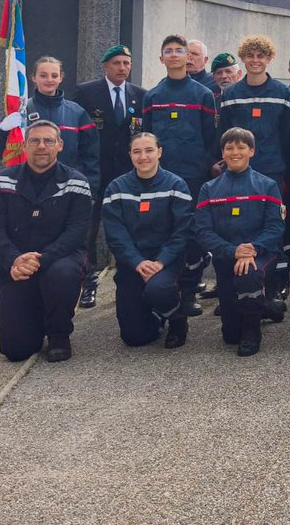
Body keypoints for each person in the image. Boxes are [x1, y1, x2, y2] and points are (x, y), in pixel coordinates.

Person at [0, 120, 92, 362]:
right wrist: (14, 259)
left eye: (48, 141)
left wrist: (42, 259)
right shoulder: (1, 181)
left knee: (61, 274)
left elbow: (76, 231)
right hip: (16, 263)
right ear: (24, 145)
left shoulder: (77, 182)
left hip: (59, 259)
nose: (42, 146)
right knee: (16, 351)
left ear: (60, 145)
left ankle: (59, 334)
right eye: (35, 141)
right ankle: (34, 315)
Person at [219, 35, 290, 318]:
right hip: (238, 173)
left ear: (268, 59)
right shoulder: (230, 95)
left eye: (260, 56)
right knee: (239, 224)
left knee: (273, 228)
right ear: (243, 59)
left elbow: (289, 137)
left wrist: (289, 173)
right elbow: (224, 135)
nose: (255, 60)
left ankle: (272, 287)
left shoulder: (282, 93)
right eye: (250, 55)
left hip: (273, 171)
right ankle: (238, 287)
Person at [141, 34, 219, 316]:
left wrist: (206, 165)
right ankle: (164, 288)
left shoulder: (202, 95)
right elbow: (146, 137)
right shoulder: (153, 96)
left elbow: (212, 137)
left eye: (179, 51)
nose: (174, 55)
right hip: (160, 179)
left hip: (194, 177)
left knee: (193, 235)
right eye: (168, 51)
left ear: (188, 57)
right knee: (166, 232)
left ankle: (189, 291)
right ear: (161, 58)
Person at [194, 128, 285, 357]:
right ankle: (264, 306)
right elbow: (203, 231)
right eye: (229, 148)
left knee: (249, 275)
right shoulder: (208, 189)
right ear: (222, 153)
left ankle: (252, 332)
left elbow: (275, 227)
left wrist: (252, 249)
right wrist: (233, 251)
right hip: (227, 258)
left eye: (241, 147)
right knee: (229, 335)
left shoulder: (267, 185)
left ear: (251, 151)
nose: (235, 152)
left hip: (261, 255)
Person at [101, 132, 192, 349]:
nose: (143, 157)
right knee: (134, 337)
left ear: (159, 152)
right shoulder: (116, 188)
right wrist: (137, 261)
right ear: (130, 155)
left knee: (158, 289)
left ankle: (178, 320)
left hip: (166, 262)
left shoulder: (176, 185)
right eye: (137, 151)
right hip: (133, 263)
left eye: (149, 150)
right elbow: (115, 233)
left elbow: (183, 231)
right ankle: (157, 315)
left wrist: (161, 261)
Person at [72, 44, 146, 309]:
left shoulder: (140, 95)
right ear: (105, 66)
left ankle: (129, 279)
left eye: (126, 63)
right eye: (117, 63)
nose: (122, 68)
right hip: (95, 174)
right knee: (88, 231)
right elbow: (78, 133)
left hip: (128, 176)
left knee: (130, 228)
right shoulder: (86, 92)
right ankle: (88, 282)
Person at [0, 55, 100, 198]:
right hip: (27, 191)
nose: (49, 80)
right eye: (43, 75)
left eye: (54, 75)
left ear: (61, 78)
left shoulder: (77, 113)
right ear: (34, 78)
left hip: (68, 190)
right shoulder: (21, 112)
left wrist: (90, 191)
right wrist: (2, 130)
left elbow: (91, 157)